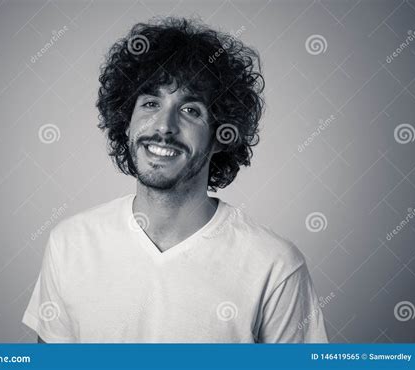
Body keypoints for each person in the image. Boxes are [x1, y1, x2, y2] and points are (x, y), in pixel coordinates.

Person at [22, 17, 328, 343]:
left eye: (190, 110)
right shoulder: (70, 243)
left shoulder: (274, 265)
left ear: (221, 135)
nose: (164, 126)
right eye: (151, 103)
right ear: (126, 123)